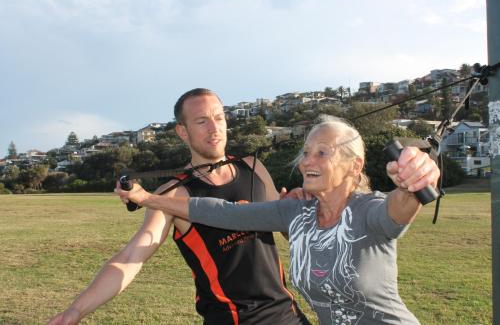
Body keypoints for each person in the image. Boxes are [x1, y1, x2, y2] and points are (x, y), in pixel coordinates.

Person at [116, 115, 441, 325]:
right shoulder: (295, 213)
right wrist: (147, 198)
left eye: (322, 153)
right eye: (306, 152)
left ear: (354, 166)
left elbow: (398, 210)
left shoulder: (368, 211)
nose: (306, 162)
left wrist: (412, 183)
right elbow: (224, 213)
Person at [49, 88, 310, 325]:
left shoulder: (253, 168)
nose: (214, 128)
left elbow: (285, 229)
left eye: (219, 118)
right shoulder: (173, 195)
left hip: (287, 314)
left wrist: (291, 211)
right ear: (183, 132)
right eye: (201, 121)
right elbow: (131, 258)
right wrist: (75, 311)